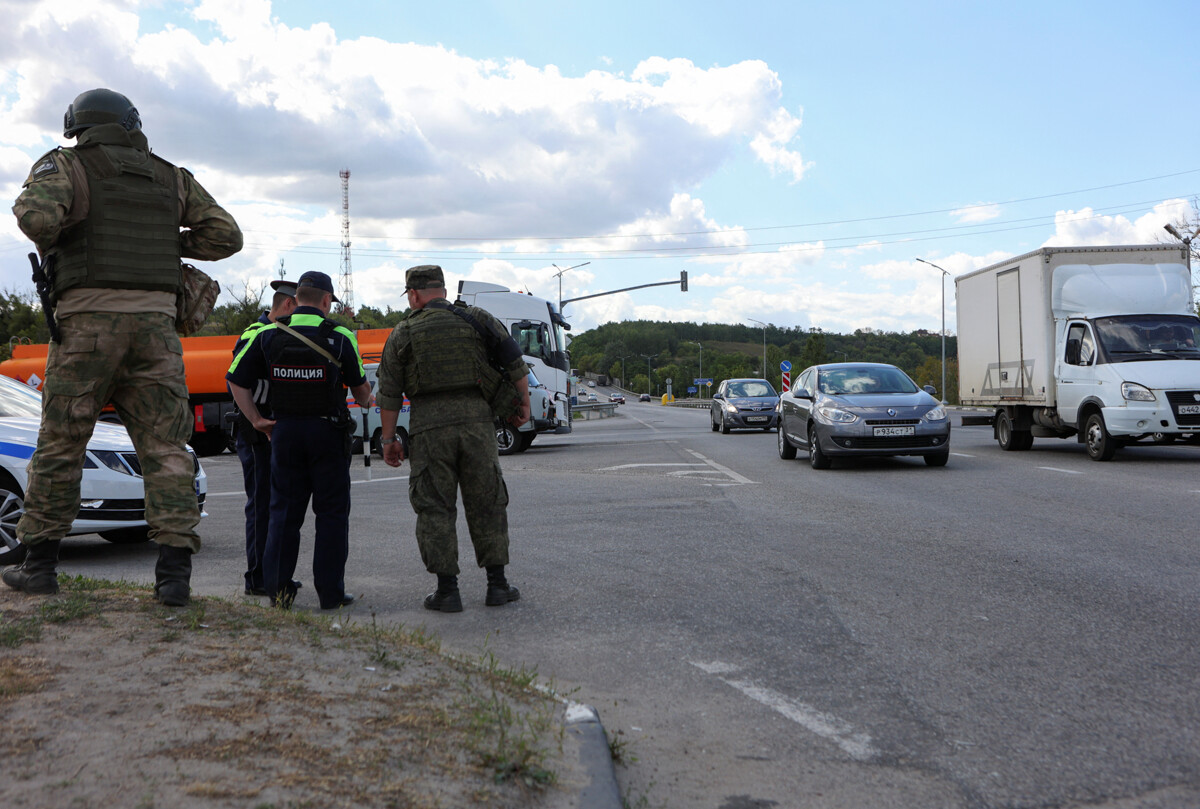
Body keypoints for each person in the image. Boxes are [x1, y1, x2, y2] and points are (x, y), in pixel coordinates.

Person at [3, 88, 243, 605]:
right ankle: (174, 577)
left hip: (88, 325)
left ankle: (40, 566)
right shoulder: (171, 175)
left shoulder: (66, 165)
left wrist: (77, 225)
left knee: (62, 442)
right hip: (158, 331)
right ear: (131, 124)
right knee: (167, 448)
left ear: (79, 126)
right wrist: (165, 237)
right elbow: (226, 235)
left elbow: (36, 220)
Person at [377, 265, 530, 612]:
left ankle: (447, 592)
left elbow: (388, 393)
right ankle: (497, 585)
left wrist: (389, 440)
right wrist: (522, 405)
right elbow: (515, 363)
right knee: (487, 501)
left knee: (434, 507)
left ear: (414, 295)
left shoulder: (403, 332)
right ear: (442, 290)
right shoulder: (478, 318)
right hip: (477, 424)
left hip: (429, 428)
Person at [227, 270, 371, 610]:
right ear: (325, 300)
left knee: (283, 514)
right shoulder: (341, 336)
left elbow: (236, 380)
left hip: (284, 432)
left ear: (297, 298)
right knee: (332, 515)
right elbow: (363, 396)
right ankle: (330, 594)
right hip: (328, 434)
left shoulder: (268, 336)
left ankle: (278, 592)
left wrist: (257, 421)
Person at [232, 279, 298, 597]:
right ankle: (257, 577)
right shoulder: (255, 334)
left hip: (278, 434)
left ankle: (275, 573)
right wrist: (256, 420)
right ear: (287, 305)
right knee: (260, 507)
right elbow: (235, 380)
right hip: (258, 437)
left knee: (280, 506)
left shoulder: (282, 335)